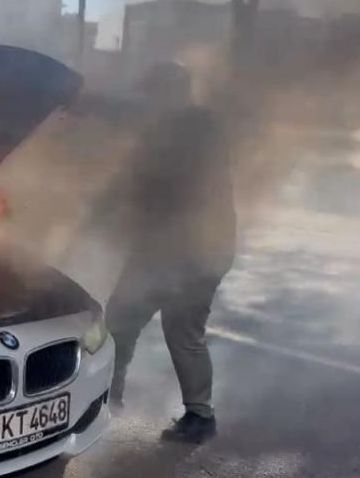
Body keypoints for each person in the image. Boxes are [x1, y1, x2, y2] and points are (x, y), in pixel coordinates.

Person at [105, 62, 236, 444]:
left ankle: (199, 416)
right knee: (122, 320)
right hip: (179, 248)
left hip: (188, 250)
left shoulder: (189, 130)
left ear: (169, 94)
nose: (146, 103)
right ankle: (109, 398)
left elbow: (157, 187)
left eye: (151, 95)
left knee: (176, 330)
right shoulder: (187, 126)